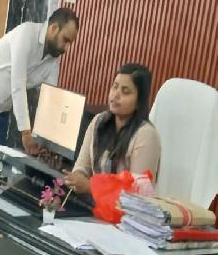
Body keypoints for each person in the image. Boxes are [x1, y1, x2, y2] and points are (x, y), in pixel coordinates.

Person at [0, 8, 80, 152]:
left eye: (70, 43)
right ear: (54, 28)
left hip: (1, 118)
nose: (66, 48)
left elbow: (51, 101)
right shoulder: (26, 34)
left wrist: (47, 140)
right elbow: (18, 85)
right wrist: (26, 133)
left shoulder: (52, 63)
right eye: (65, 40)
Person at [63, 63, 162, 195]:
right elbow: (82, 166)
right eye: (115, 87)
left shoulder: (146, 135)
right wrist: (76, 178)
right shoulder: (99, 121)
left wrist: (91, 187)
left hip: (124, 208)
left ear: (139, 102)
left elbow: (138, 194)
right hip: (93, 203)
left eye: (125, 91)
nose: (116, 95)